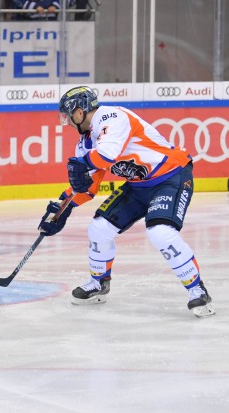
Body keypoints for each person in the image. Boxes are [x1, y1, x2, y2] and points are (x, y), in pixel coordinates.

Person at [38, 86, 215, 318]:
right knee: (99, 228)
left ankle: (197, 290)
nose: (67, 122)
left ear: (80, 112)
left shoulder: (113, 116)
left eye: (68, 115)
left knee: (160, 232)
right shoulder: (85, 143)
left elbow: (107, 155)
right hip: (138, 185)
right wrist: (63, 208)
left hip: (171, 176)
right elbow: (88, 187)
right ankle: (98, 282)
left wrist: (81, 163)